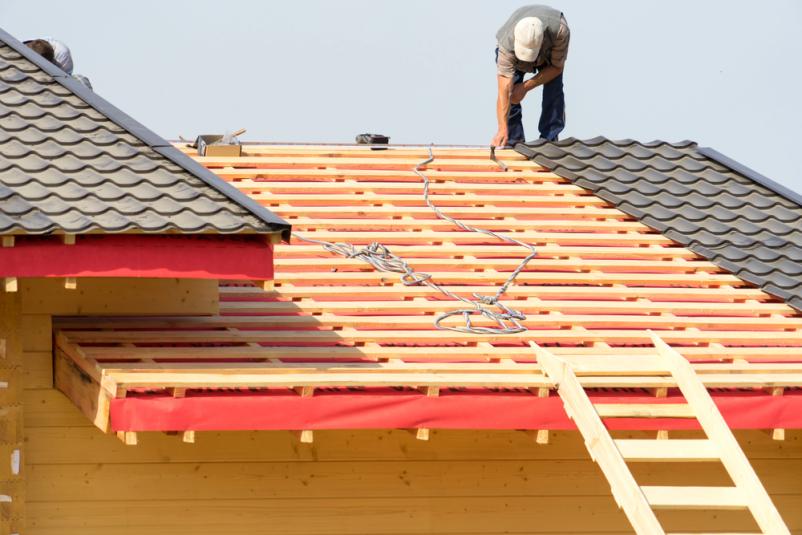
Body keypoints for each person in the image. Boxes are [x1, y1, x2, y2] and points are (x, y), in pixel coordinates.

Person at [491, 5, 570, 147]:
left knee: (554, 88)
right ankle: (512, 140)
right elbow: (504, 91)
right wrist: (502, 128)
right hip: (513, 56)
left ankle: (549, 138)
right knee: (509, 94)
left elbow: (557, 68)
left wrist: (525, 87)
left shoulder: (560, 31)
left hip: (547, 55)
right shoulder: (506, 45)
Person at [23, 37, 93, 90]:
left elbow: (63, 80)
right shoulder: (25, 48)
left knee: (80, 80)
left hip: (61, 77)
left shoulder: (62, 57)